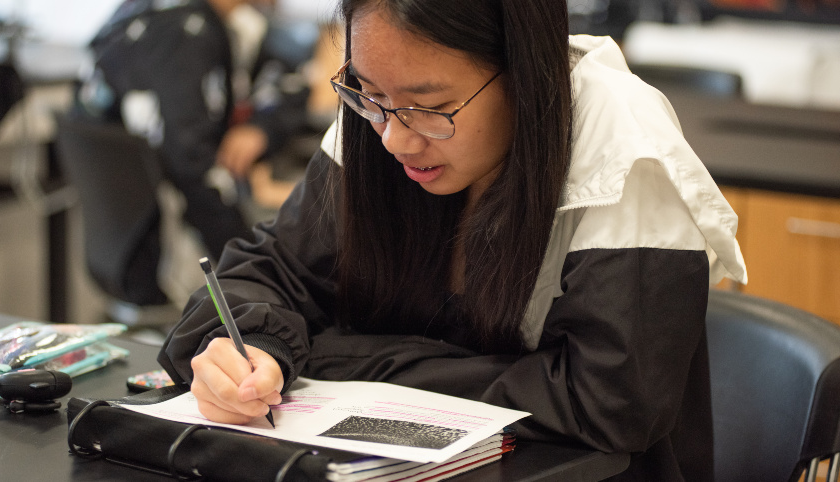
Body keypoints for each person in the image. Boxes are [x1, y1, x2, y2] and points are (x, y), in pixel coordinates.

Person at [158, 0, 748, 479]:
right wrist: (251, 346)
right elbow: (270, 270)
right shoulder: (386, 109)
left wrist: (343, 358)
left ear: (525, 70)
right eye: (370, 96)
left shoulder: (622, 149)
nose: (395, 140)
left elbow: (612, 403)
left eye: (433, 107)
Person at [72, 0, 310, 261]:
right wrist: (253, 267)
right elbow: (191, 163)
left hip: (125, 229)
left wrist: (262, 127)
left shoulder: (141, 11)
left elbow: (288, 83)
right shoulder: (185, 33)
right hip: (169, 236)